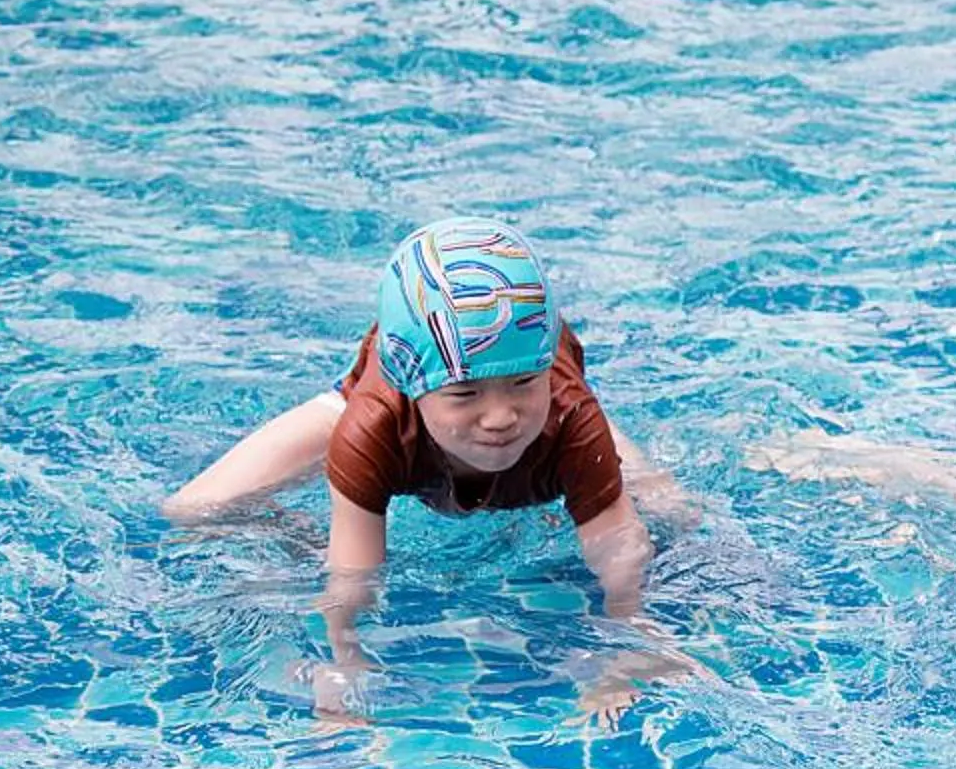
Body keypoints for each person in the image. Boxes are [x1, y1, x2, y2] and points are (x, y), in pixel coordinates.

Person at [166, 216, 685, 726]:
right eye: (467, 394)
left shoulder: (566, 412)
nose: (500, 417)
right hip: (389, 409)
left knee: (673, 511)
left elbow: (618, 545)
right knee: (193, 510)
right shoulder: (374, 426)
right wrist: (346, 662)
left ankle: (531, 402)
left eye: (524, 382)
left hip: (554, 419)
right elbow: (353, 573)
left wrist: (627, 639)